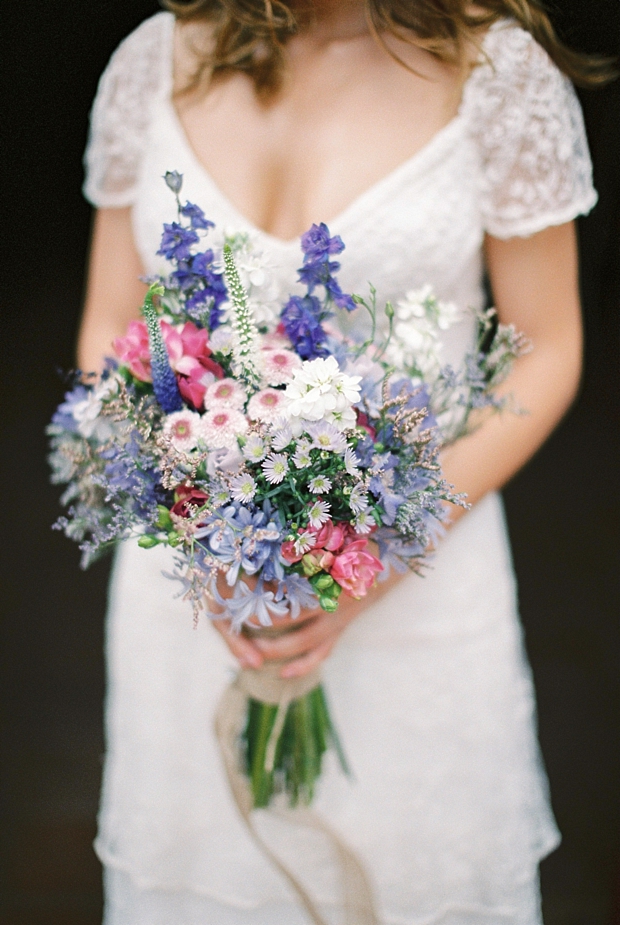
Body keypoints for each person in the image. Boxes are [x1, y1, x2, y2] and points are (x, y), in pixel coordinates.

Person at [77, 1, 605, 922]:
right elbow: (110, 328)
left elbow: (547, 348)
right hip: (196, 606)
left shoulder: (499, 76)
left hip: (421, 593)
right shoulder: (153, 63)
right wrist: (200, 524)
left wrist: (380, 554)